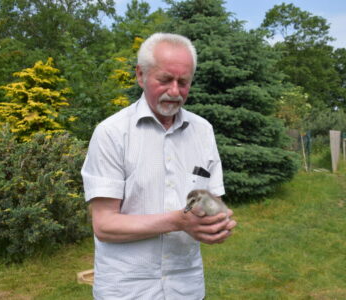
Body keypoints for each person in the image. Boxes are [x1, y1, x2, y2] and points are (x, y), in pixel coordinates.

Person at [81, 32, 237, 300]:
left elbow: (212, 202)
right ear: (140, 75)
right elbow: (104, 225)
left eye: (183, 82)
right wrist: (178, 220)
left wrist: (216, 224)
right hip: (126, 289)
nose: (175, 91)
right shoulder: (111, 133)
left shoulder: (203, 131)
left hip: (186, 286)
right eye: (165, 80)